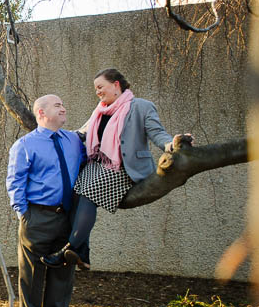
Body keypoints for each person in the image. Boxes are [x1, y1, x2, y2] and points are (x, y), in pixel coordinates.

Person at [40, 68, 189, 271]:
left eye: (100, 87)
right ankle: (82, 255)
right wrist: (50, 137)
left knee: (88, 192)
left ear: (116, 85)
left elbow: (157, 133)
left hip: (124, 168)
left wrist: (173, 144)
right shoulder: (100, 111)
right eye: (95, 89)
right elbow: (80, 134)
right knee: (76, 191)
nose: (97, 92)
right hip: (99, 165)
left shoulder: (141, 107)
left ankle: (69, 249)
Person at [6, 94, 86, 307]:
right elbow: (15, 182)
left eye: (63, 104)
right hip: (37, 216)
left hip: (67, 217)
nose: (64, 108)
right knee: (31, 274)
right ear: (41, 113)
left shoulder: (73, 140)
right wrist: (23, 214)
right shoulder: (25, 145)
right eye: (58, 105)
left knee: (63, 271)